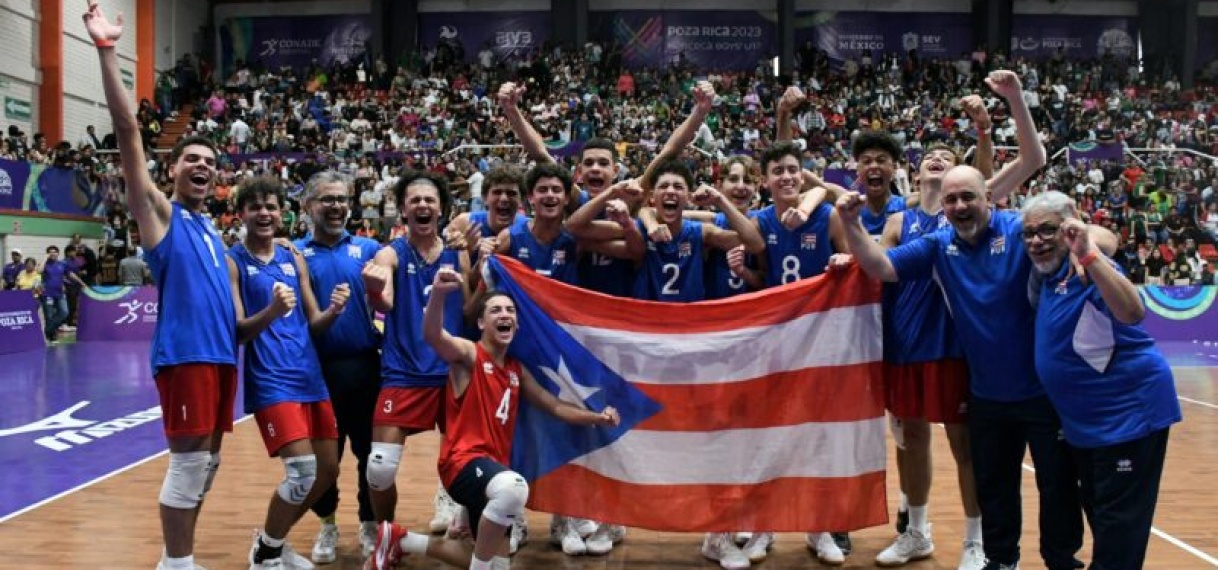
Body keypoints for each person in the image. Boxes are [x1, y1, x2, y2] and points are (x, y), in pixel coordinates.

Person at [86, 3, 237, 568]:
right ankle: (176, 563)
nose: (202, 166)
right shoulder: (162, 215)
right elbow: (128, 133)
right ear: (171, 169)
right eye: (191, 159)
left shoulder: (213, 231)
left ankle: (183, 556)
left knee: (210, 463)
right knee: (189, 464)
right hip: (186, 357)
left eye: (210, 162)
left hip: (221, 358)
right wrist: (106, 51)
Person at [367, 267, 620, 570]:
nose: (505, 315)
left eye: (510, 310)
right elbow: (433, 335)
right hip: (463, 464)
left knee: (497, 563)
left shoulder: (516, 370)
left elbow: (554, 406)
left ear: (517, 323)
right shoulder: (469, 355)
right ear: (480, 322)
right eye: (496, 310)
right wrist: (436, 293)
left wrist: (597, 417)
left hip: (493, 475)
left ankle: (401, 539)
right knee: (515, 488)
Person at [1022, 191, 1181, 570]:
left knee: (1117, 536)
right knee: (1103, 517)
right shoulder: (1047, 274)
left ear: (1070, 227)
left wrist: (1090, 254)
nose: (1036, 240)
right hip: (1087, 427)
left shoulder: (1089, 265)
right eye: (1028, 233)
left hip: (1128, 417)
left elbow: (1131, 311)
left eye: (1046, 230)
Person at [227, 177, 349, 569]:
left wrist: (333, 311)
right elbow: (239, 330)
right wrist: (272, 313)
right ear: (242, 213)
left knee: (326, 471)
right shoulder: (233, 261)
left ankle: (272, 543)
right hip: (271, 380)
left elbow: (313, 321)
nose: (264, 213)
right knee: (301, 471)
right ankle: (266, 555)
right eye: (255, 207)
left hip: (309, 375)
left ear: (283, 212)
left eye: (271, 206)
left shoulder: (292, 256)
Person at [361, 170, 472, 546]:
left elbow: (472, 309)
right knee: (379, 468)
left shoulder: (460, 253)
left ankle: (462, 516)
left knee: (466, 461)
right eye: (415, 200)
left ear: (441, 209)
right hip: (404, 374)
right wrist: (376, 290)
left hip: (452, 373)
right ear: (403, 210)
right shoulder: (389, 252)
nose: (422, 205)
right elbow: (386, 301)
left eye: (429, 200)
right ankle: (385, 535)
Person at [295, 171, 385, 562]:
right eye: (327, 199)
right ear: (308, 206)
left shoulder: (368, 249)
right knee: (324, 458)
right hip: (318, 371)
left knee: (369, 453)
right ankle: (327, 526)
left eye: (341, 199)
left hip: (365, 368)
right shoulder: (295, 254)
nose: (336, 206)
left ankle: (368, 524)